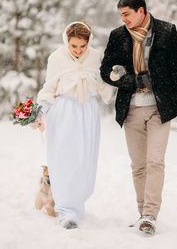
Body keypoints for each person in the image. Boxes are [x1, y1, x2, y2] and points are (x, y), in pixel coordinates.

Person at [100, 0, 177, 235]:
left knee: (155, 162)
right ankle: (143, 214)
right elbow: (105, 71)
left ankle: (150, 213)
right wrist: (128, 79)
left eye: (127, 14)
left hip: (160, 108)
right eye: (121, 15)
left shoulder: (166, 31)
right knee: (139, 165)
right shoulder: (117, 36)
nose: (124, 20)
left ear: (141, 11)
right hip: (130, 109)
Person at [35, 21, 116, 229]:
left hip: (87, 113)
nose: (79, 51)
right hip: (63, 111)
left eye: (83, 46)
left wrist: (115, 78)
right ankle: (66, 211)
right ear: (67, 42)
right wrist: (39, 112)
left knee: (84, 161)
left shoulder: (96, 57)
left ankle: (76, 203)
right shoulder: (57, 58)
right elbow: (49, 87)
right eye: (74, 46)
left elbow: (102, 84)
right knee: (64, 160)